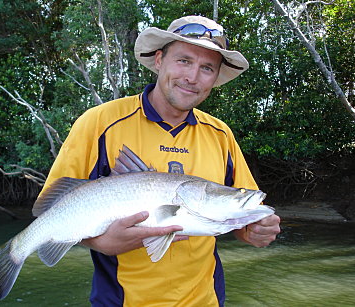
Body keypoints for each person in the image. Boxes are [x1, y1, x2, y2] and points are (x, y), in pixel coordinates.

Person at [40, 15, 281, 307]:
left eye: (207, 68)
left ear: (215, 78)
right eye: (184, 60)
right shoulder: (99, 123)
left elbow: (236, 214)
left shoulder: (221, 135)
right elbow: (52, 212)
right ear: (158, 60)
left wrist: (256, 230)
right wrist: (100, 243)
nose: (193, 77)